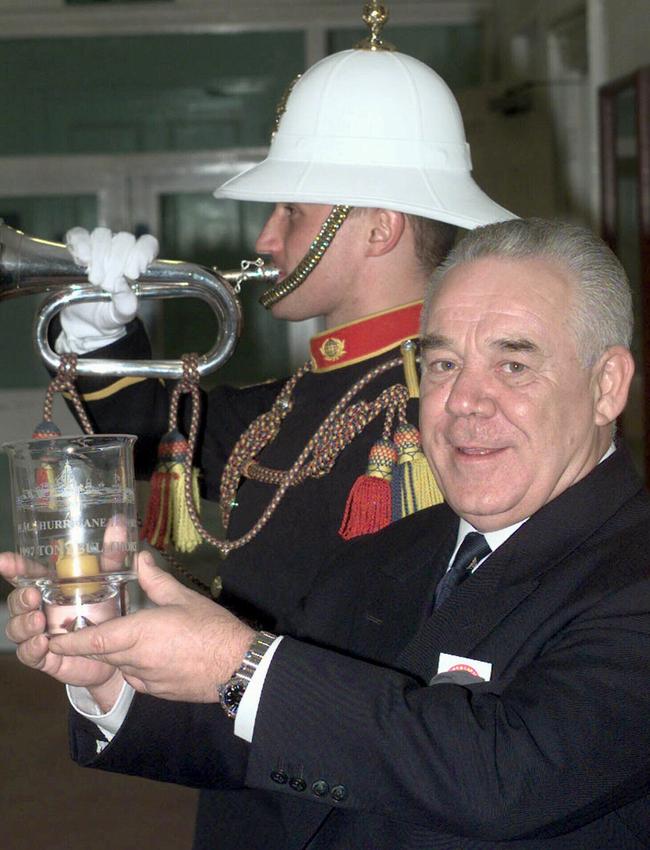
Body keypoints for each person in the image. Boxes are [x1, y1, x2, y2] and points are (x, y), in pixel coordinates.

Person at [6, 217, 650, 849]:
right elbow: (283, 732)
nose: (464, 402)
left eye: (513, 366)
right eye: (445, 363)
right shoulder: (388, 553)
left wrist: (238, 661)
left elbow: (503, 774)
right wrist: (112, 675)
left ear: (607, 386)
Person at [49, 5, 515, 632]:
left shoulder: (448, 401)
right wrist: (100, 332)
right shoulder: (301, 398)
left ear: (379, 227)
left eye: (291, 211)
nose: (267, 237)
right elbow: (149, 435)